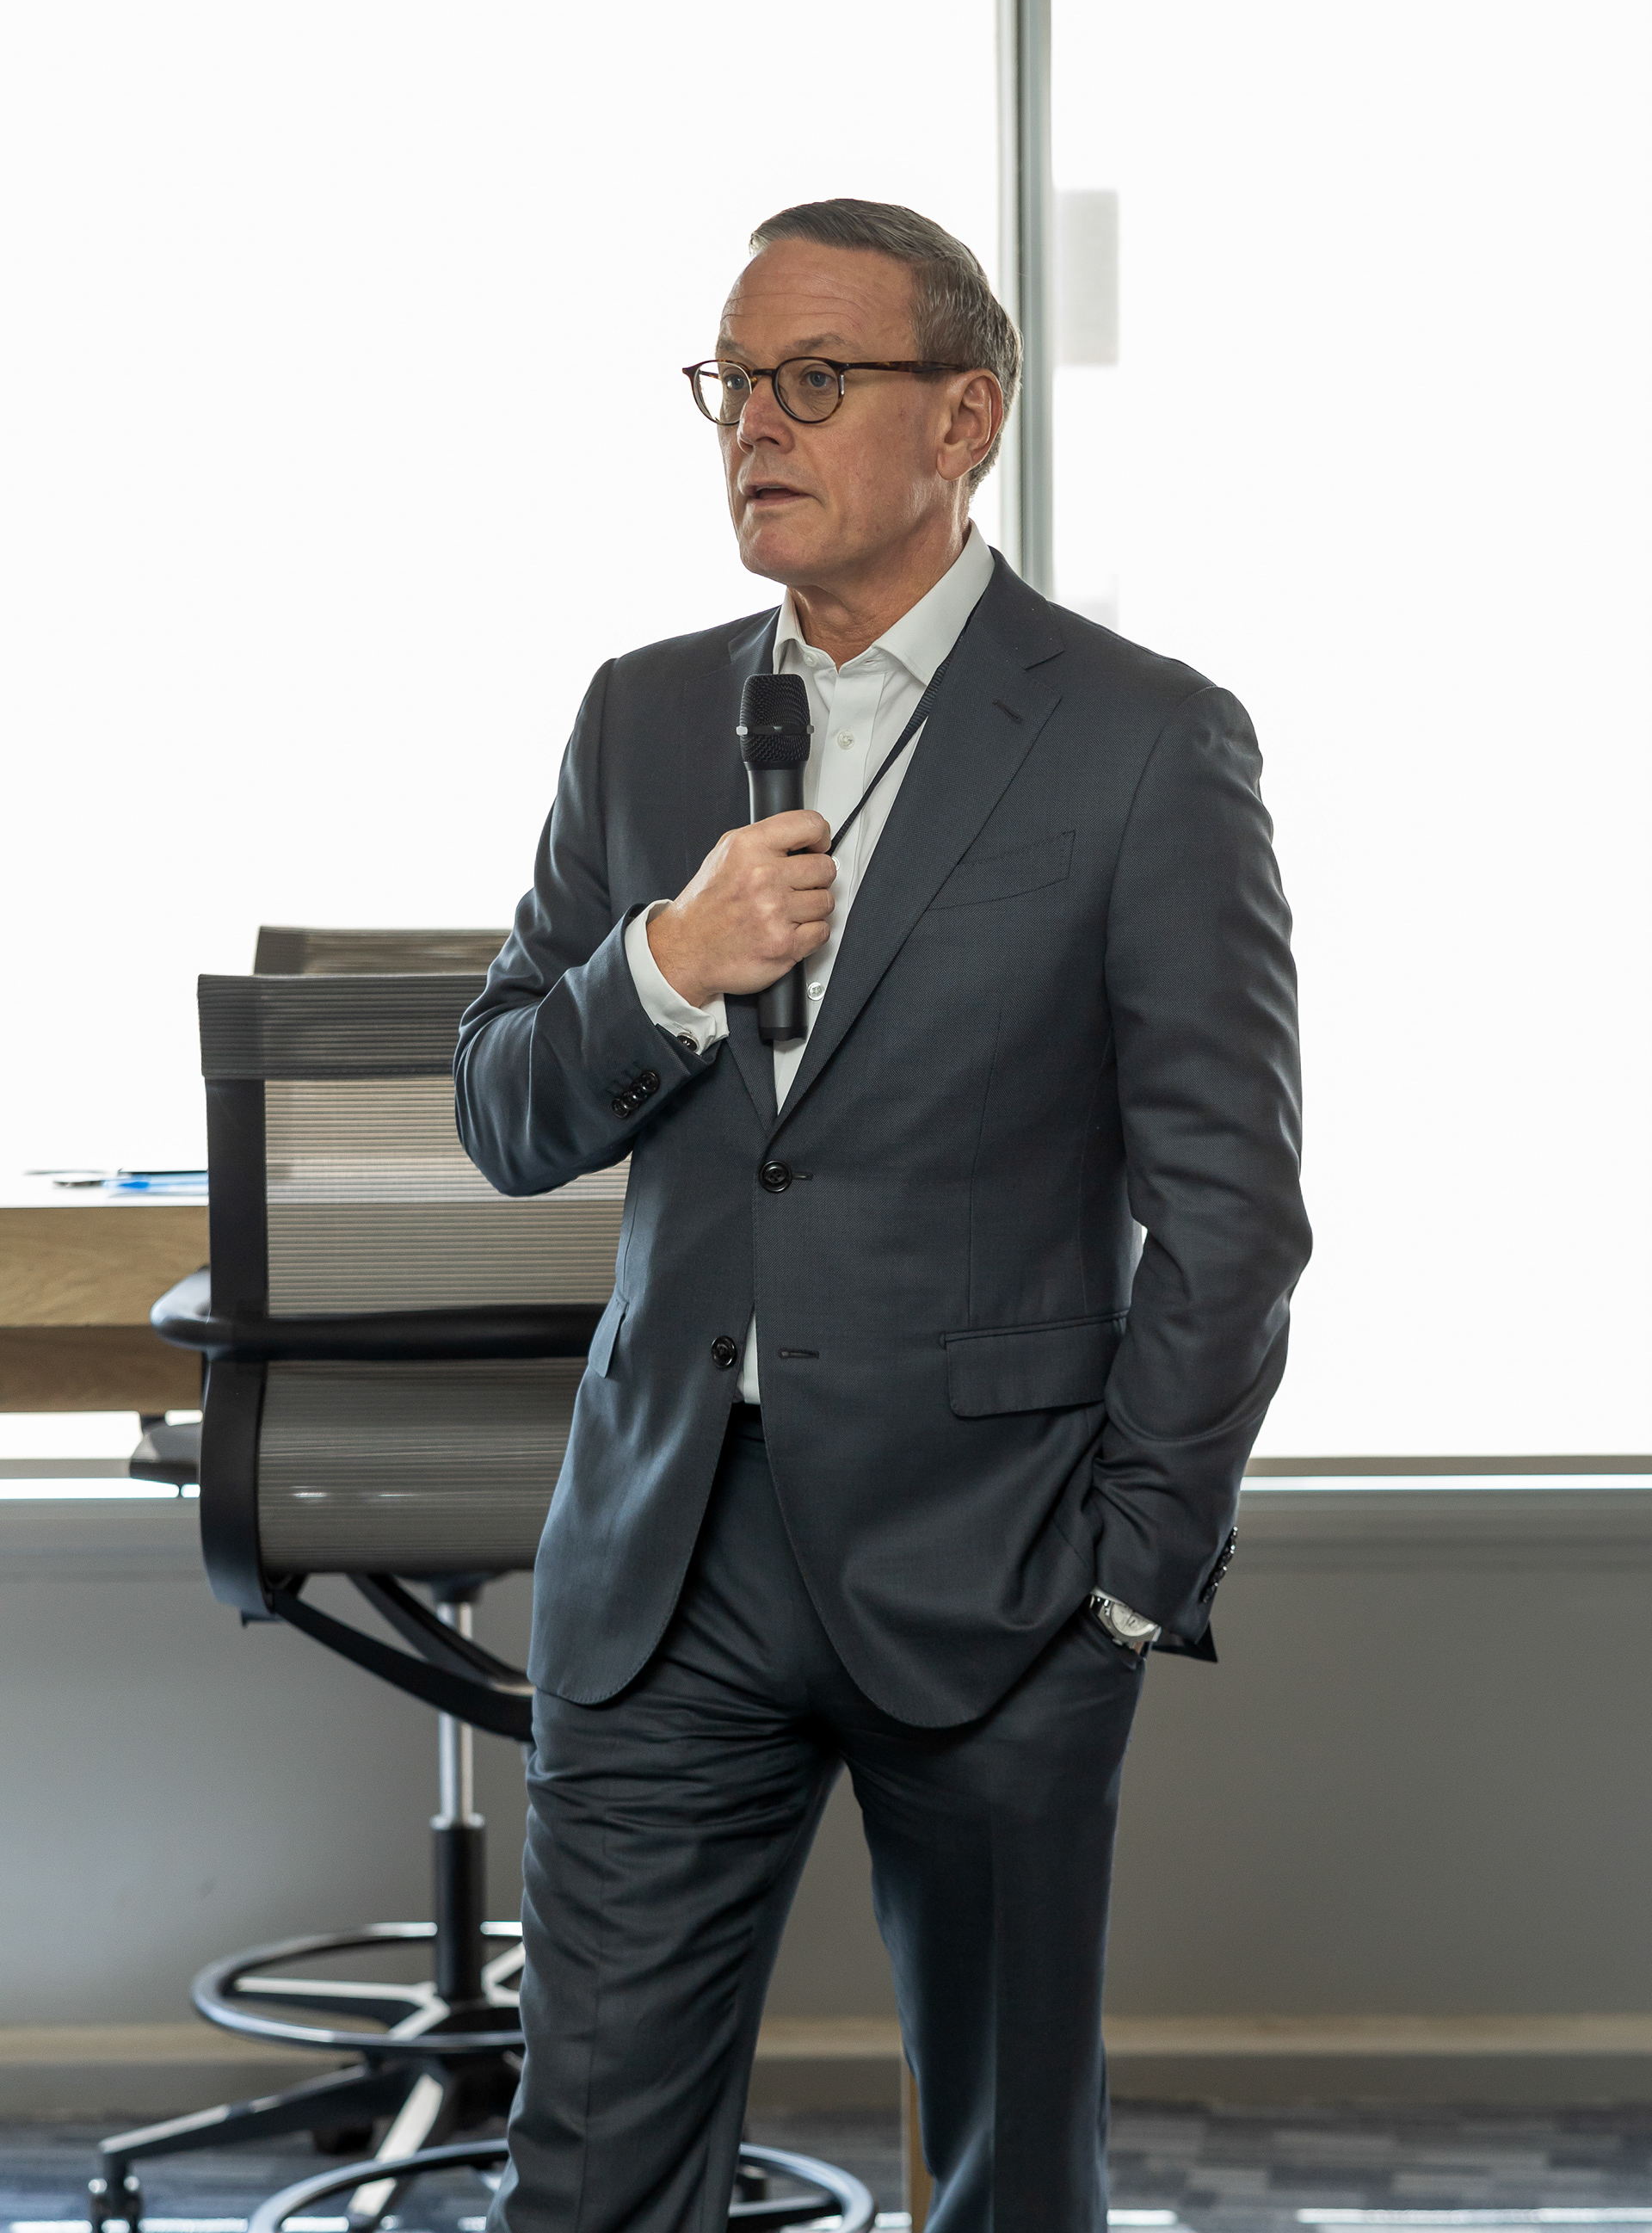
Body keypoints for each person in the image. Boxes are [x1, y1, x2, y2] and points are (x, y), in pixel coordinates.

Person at [455, 196, 1310, 2232]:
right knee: (585, 2181)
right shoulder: (640, 715)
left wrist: (1130, 1578)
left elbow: (1233, 1209)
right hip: (667, 1561)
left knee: (1013, 2183)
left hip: (1001, 1565)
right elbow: (502, 1111)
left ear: (966, 418)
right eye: (734, 382)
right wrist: (666, 962)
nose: (757, 423)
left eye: (818, 379)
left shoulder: (1144, 740)